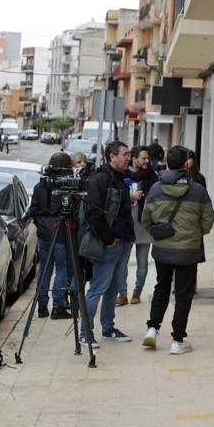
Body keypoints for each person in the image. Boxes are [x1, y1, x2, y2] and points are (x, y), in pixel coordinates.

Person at [140, 145, 214, 355]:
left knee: (161, 288)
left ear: (167, 163)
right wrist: (195, 234)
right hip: (189, 251)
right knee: (183, 294)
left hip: (163, 249)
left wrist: (160, 234)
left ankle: (153, 329)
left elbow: (146, 219)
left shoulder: (155, 189)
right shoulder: (198, 190)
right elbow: (208, 220)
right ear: (185, 164)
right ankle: (177, 341)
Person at [79, 140, 134, 346]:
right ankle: (85, 332)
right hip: (110, 244)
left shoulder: (120, 178)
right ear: (112, 156)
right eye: (125, 154)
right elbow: (93, 213)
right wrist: (109, 239)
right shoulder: (100, 179)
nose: (129, 158)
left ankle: (108, 328)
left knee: (113, 287)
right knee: (98, 288)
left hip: (124, 241)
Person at [28, 152, 76, 319]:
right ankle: (58, 306)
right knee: (62, 269)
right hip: (61, 232)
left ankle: (42, 306)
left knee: (45, 269)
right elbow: (72, 211)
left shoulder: (39, 186)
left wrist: (40, 224)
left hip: (44, 233)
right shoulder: (67, 187)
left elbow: (32, 210)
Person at [123, 147, 158, 306]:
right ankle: (122, 293)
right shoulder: (123, 175)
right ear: (134, 159)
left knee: (142, 263)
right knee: (121, 264)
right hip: (126, 225)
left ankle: (137, 292)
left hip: (144, 225)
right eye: (143, 158)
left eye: (147, 158)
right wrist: (131, 196)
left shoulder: (152, 176)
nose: (146, 161)